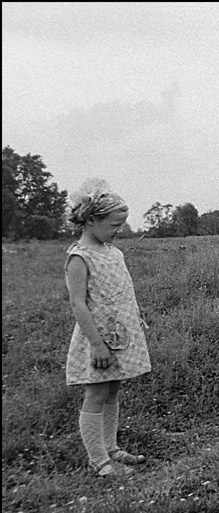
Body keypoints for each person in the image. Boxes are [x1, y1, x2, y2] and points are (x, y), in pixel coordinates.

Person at [65, 188, 151, 477]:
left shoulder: (114, 252)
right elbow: (78, 303)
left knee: (113, 389)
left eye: (121, 224)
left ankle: (111, 448)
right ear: (91, 220)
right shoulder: (80, 257)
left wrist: (136, 314)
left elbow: (124, 290)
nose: (119, 231)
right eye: (114, 225)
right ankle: (99, 461)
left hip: (120, 334)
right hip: (99, 338)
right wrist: (97, 345)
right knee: (97, 392)